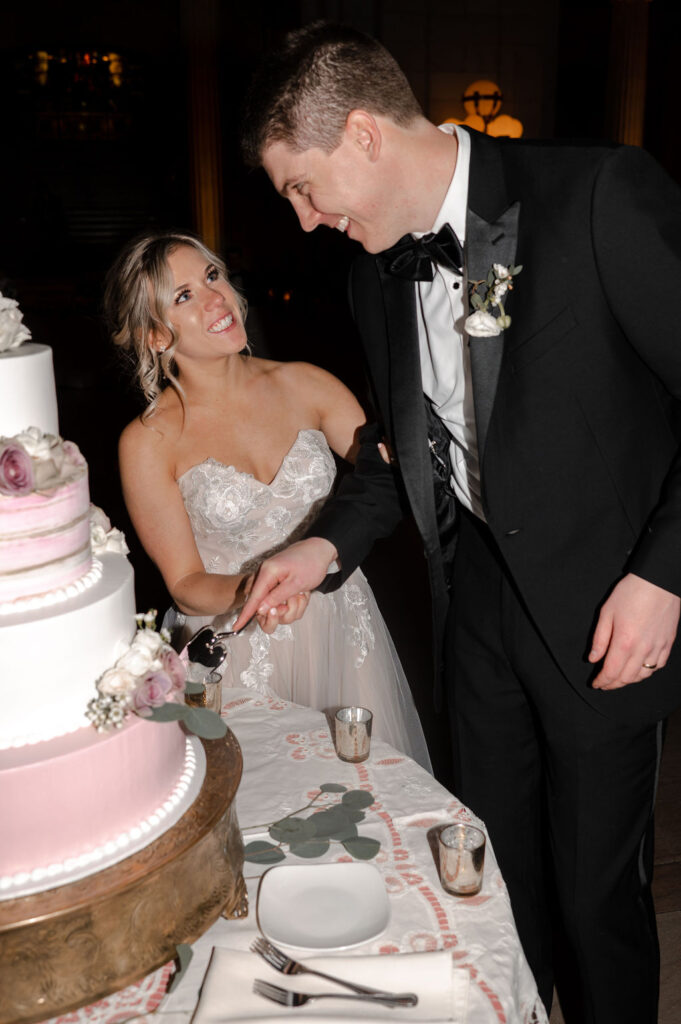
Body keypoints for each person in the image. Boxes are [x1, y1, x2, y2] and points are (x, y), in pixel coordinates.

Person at [235, 21, 681, 1024]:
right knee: (493, 868)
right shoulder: (373, 271)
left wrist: (667, 574)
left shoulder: (599, 195)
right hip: (475, 610)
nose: (305, 222)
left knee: (595, 894)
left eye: (305, 187)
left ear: (362, 136)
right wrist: (323, 543)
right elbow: (404, 452)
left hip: (608, 614)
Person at [104, 230, 431, 771]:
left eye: (213, 277)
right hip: (233, 646)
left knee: (362, 792)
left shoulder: (309, 385)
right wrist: (263, 589)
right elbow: (185, 585)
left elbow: (396, 478)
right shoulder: (147, 441)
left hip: (339, 625)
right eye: (183, 296)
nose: (216, 299)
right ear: (156, 335)